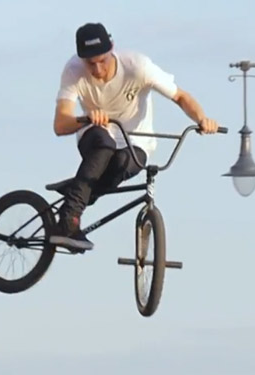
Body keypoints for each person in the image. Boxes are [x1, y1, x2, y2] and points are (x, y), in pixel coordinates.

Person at [49, 22, 220, 251]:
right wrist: (88, 118)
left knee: (121, 165)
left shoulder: (137, 66)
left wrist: (202, 119)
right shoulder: (73, 71)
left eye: (103, 61)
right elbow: (61, 124)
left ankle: (78, 187)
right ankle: (69, 220)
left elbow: (180, 96)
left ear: (112, 49)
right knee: (104, 145)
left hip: (135, 141)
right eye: (91, 64)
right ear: (81, 60)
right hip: (95, 133)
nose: (98, 70)